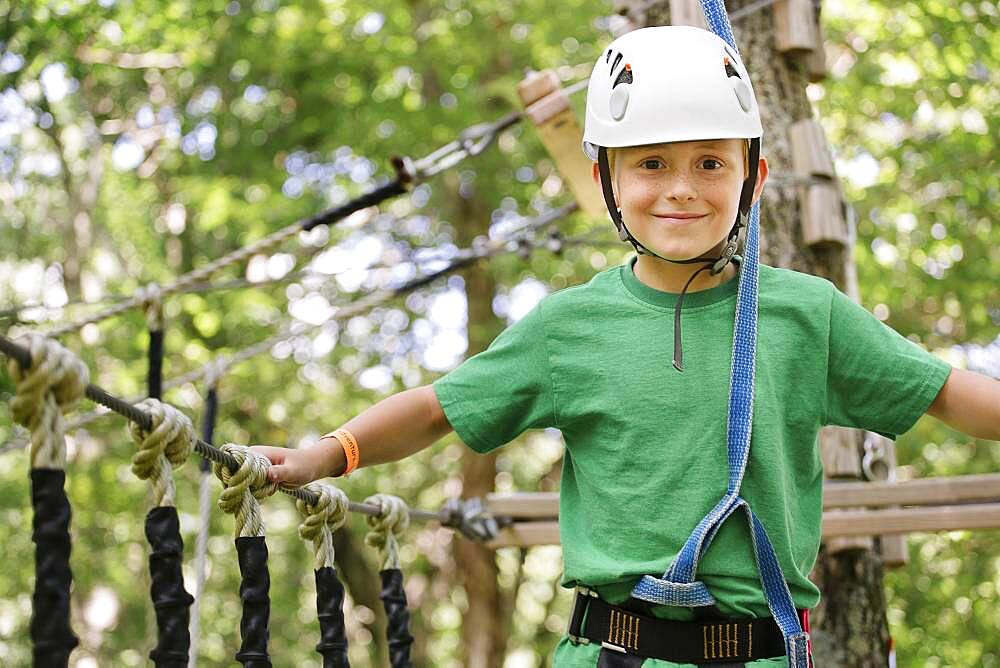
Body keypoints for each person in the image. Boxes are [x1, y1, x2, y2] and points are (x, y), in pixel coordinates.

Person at [252, 26, 1000, 668]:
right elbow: (438, 410)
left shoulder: (806, 315)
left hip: (758, 651)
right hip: (611, 651)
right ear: (606, 177)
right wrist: (330, 454)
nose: (682, 189)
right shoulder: (568, 328)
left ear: (753, 178)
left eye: (711, 163)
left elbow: (946, 392)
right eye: (650, 163)